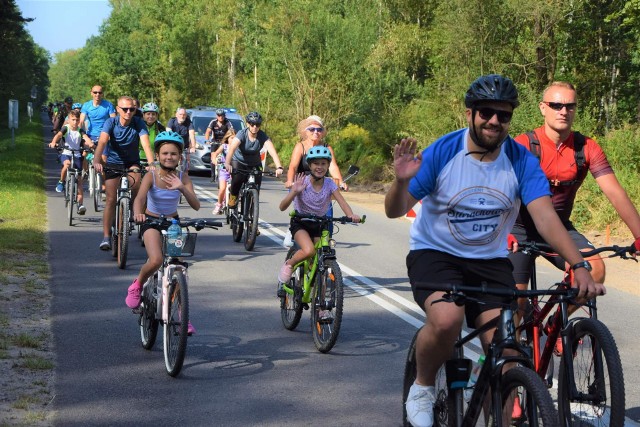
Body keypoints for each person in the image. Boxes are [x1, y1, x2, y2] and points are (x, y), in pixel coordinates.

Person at [384, 74, 602, 427]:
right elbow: (394, 210)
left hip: (488, 260)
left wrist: (579, 266)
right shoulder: (443, 151)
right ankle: (422, 387)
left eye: (503, 115)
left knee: (510, 358)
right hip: (436, 254)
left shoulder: (519, 159)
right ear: (470, 113)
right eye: (487, 112)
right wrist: (402, 180)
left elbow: (546, 219)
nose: (495, 121)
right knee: (447, 321)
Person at [508, 81, 640, 332]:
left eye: (569, 106)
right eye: (556, 105)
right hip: (519, 228)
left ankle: (554, 326)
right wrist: (502, 231)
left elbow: (614, 192)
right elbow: (501, 191)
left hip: (558, 228)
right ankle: (511, 363)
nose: (563, 111)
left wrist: (639, 235)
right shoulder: (523, 144)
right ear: (542, 108)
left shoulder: (586, 147)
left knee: (595, 271)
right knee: (517, 303)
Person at [126, 131, 199, 334]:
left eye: (173, 154)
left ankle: (182, 317)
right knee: (156, 259)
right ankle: (137, 285)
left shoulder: (183, 177)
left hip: (173, 224)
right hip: (151, 221)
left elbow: (196, 205)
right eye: (165, 153)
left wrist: (182, 188)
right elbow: (140, 198)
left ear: (180, 157)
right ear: (157, 156)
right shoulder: (151, 175)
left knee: (178, 268)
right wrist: (138, 214)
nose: (169, 157)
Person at [277, 146, 360, 298]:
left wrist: (351, 215)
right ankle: (289, 264)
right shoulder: (303, 182)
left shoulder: (330, 184)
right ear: (310, 165)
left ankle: (320, 307)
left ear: (328, 166)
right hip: (301, 223)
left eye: (323, 163)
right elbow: (282, 207)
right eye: (316, 163)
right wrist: (294, 191)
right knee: (309, 250)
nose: (319, 167)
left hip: (320, 225)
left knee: (322, 263)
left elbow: (342, 202)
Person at [93, 96, 154, 251]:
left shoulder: (138, 123)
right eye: (125, 109)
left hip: (132, 162)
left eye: (132, 109)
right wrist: (97, 160)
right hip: (113, 162)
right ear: (118, 109)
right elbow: (102, 142)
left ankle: (133, 215)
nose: (128, 112)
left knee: (137, 189)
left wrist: (152, 163)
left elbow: (146, 144)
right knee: (111, 199)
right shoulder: (111, 123)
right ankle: (106, 237)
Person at [224, 111, 284, 208]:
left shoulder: (262, 136)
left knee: (257, 184)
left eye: (257, 124)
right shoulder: (241, 134)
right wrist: (227, 163)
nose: (254, 127)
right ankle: (233, 196)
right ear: (247, 124)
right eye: (252, 124)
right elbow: (232, 149)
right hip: (239, 161)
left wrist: (279, 167)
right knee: (237, 179)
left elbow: (272, 152)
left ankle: (251, 206)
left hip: (255, 163)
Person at [49, 109, 95, 214]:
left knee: (79, 181)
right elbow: (58, 135)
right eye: (73, 120)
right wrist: (53, 142)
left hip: (77, 154)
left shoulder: (80, 130)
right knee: (67, 164)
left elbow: (86, 138)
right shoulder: (66, 128)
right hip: (66, 153)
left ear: (79, 121)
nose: (75, 122)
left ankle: (80, 204)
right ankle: (61, 181)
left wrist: (91, 144)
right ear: (68, 120)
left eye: (77, 120)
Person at [285, 115, 347, 190]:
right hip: (302, 185)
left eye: (319, 129)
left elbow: (333, 167)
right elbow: (293, 167)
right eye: (312, 129)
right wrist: (290, 181)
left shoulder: (327, 148)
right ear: (306, 132)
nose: (316, 132)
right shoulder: (300, 146)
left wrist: (341, 182)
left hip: (321, 185)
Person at [211, 130, 234, 214]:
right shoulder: (224, 146)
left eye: (235, 138)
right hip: (224, 171)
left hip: (234, 171)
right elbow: (215, 153)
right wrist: (214, 159)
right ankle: (219, 204)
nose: (233, 140)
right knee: (222, 188)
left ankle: (234, 203)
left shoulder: (238, 147)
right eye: (231, 138)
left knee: (236, 188)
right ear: (227, 138)